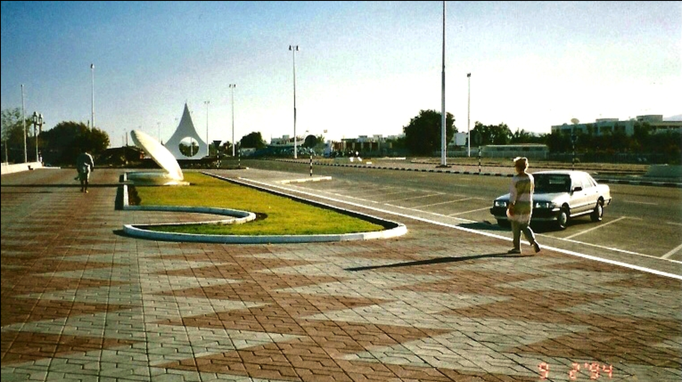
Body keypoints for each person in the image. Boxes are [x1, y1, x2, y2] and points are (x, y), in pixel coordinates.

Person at [506, 157, 541, 254]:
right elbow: (532, 190)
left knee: (515, 226)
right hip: (528, 204)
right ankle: (533, 242)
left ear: (518, 167)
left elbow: (513, 194)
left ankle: (517, 247)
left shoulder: (515, 179)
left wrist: (511, 205)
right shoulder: (530, 178)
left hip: (518, 204)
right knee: (525, 226)